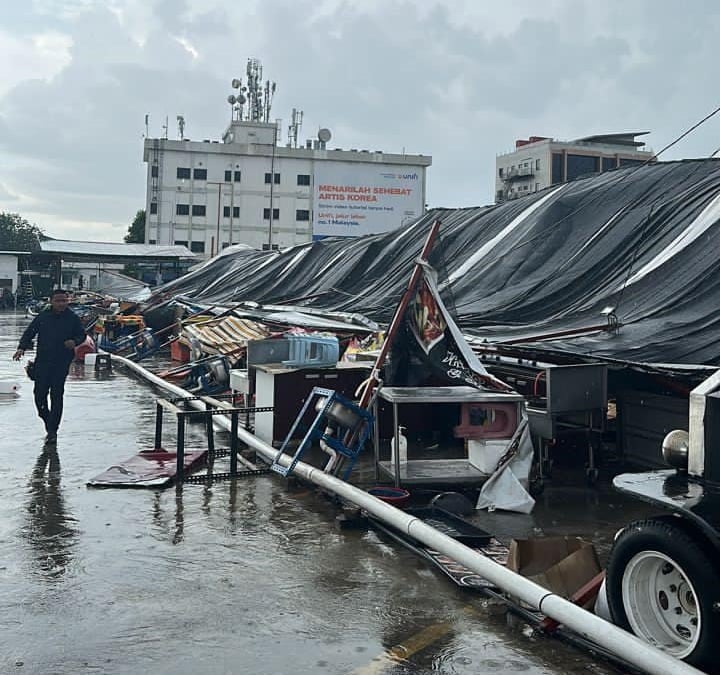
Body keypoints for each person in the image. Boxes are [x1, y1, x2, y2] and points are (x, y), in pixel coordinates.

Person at [12, 288, 86, 444]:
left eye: (64, 301)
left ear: (68, 301)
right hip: (43, 361)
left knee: (57, 395)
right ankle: (47, 421)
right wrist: (21, 348)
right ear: (51, 301)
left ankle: (53, 431)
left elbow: (82, 335)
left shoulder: (72, 318)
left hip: (62, 362)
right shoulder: (43, 316)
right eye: (58, 301)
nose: (61, 304)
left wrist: (75, 341)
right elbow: (29, 332)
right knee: (39, 395)